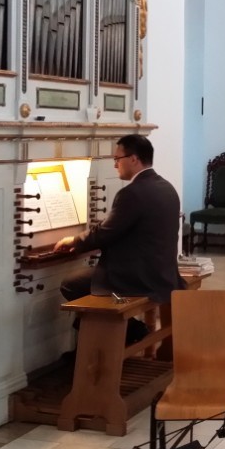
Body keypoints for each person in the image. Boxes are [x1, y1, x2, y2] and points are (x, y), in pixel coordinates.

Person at [55, 134, 182, 345]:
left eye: (117, 159)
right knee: (85, 282)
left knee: (70, 284)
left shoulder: (133, 192)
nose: (115, 165)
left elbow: (105, 232)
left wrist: (75, 241)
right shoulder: (166, 187)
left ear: (134, 159)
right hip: (164, 272)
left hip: (140, 277)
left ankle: (125, 334)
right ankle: (98, 344)